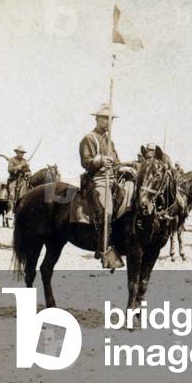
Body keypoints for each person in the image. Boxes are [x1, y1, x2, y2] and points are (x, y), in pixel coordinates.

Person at [79, 103, 124, 270]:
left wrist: (125, 167)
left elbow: (117, 163)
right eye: (105, 119)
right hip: (97, 180)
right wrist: (99, 161)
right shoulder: (89, 138)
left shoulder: (109, 141)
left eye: (111, 119)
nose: (109, 122)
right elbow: (86, 162)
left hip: (112, 180)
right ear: (97, 119)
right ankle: (104, 250)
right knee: (107, 211)